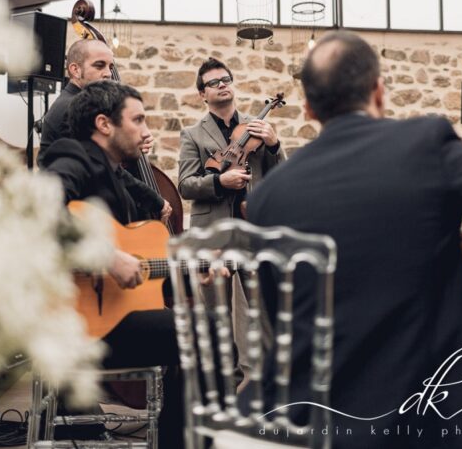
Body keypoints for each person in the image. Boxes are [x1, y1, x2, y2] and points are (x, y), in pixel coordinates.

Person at [244, 31, 462, 448]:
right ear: (379, 91)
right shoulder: (424, 143)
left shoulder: (268, 197)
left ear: (307, 108)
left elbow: (280, 325)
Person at [40, 80, 183, 447]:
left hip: (114, 319)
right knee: (200, 333)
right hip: (82, 326)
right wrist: (104, 255)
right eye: (138, 120)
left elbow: (143, 256)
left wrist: (198, 267)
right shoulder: (73, 155)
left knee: (198, 329)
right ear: (105, 124)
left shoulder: (113, 170)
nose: (146, 131)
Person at [178, 57, 285, 383]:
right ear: (202, 94)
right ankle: (226, 381)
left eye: (226, 79)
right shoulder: (193, 134)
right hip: (213, 232)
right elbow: (184, 184)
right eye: (213, 82)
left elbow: (281, 176)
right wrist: (218, 183)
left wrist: (274, 144)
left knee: (258, 307)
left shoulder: (257, 127)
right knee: (218, 310)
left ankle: (261, 378)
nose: (222, 84)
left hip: (251, 227)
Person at [38, 38, 170, 223]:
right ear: (75, 70)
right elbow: (100, 166)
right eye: (99, 66)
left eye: (110, 66)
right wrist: (153, 199)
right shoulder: (71, 108)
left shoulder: (84, 104)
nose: (108, 73)